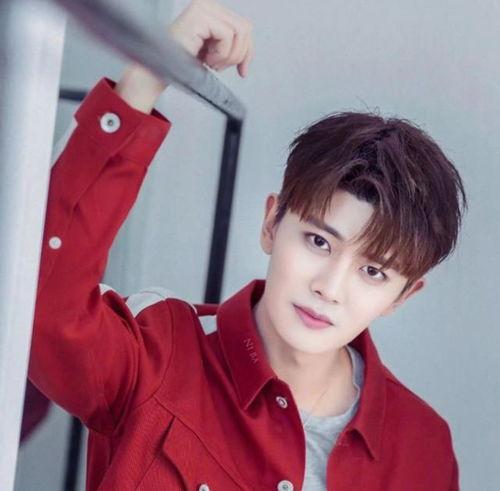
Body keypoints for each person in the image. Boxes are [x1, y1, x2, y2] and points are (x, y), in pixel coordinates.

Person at [29, 0, 465, 489]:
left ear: (402, 296)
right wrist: (149, 72)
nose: (329, 287)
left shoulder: (424, 449)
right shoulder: (161, 352)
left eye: (373, 272)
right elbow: (40, 311)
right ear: (271, 223)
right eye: (318, 241)